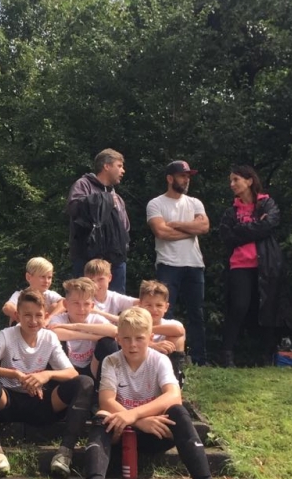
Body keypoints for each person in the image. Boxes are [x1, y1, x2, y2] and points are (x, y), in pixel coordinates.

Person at [80, 307, 242, 479]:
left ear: (150, 338)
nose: (132, 344)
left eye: (139, 338)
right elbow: (106, 401)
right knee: (102, 414)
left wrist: (134, 415)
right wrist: (139, 421)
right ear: (118, 339)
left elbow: (174, 396)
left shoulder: (159, 360)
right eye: (126, 338)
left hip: (156, 433)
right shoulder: (111, 361)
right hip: (122, 433)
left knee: (178, 411)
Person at [0, 289, 95, 479]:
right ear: (17, 315)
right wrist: (15, 374)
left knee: (84, 382)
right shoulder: (7, 334)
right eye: (27, 315)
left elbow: (72, 373)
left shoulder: (49, 337)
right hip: (9, 400)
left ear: (45, 316)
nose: (33, 320)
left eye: (38, 315)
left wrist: (46, 375)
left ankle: (65, 454)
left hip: (41, 400)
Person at [217, 166, 292, 367]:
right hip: (239, 265)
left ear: (250, 181)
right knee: (238, 307)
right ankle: (227, 355)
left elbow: (270, 225)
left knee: (268, 307)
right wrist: (256, 228)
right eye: (231, 180)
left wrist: (242, 229)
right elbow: (227, 236)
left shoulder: (267, 203)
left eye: (236, 179)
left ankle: (267, 356)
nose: (232, 184)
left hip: (267, 263)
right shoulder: (231, 211)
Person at [146, 161, 209, 365]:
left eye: (188, 176)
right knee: (165, 311)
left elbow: (204, 227)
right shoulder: (156, 204)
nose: (186, 180)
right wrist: (190, 230)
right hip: (168, 264)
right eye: (182, 176)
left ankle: (199, 359)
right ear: (170, 178)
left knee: (196, 313)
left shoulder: (195, 202)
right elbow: (161, 232)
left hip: (194, 264)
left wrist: (175, 225)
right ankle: (165, 357)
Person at [67, 148, 131, 293]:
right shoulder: (83, 185)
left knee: (115, 300)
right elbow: (74, 209)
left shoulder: (117, 197)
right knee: (84, 298)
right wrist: (106, 200)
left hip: (115, 259)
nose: (123, 171)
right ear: (106, 166)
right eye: (119, 166)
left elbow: (125, 227)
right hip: (88, 259)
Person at [46, 277, 119, 380]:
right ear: (66, 304)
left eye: (86, 304)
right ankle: (55, 386)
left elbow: (115, 331)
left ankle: (103, 384)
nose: (81, 309)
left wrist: (76, 326)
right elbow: (53, 332)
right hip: (66, 371)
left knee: (109, 343)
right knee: (55, 340)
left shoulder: (95, 318)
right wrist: (93, 337)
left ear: (92, 306)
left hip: (91, 367)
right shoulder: (59, 318)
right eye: (76, 303)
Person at [137, 280, 187, 386]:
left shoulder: (172, 323)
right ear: (140, 305)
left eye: (159, 305)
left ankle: (172, 381)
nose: (154, 309)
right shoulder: (133, 323)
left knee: (176, 338)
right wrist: (152, 345)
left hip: (164, 371)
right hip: (140, 372)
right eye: (148, 305)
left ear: (166, 307)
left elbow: (179, 330)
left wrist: (147, 329)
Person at [1, 257, 64, 323]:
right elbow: (7, 307)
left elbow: (64, 303)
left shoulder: (50, 294)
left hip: (45, 326)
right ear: (28, 277)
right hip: (27, 326)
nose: (46, 281)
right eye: (42, 277)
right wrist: (24, 318)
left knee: (55, 306)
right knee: (15, 312)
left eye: (49, 277)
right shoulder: (20, 295)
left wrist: (49, 318)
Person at [83, 259, 138, 325]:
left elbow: (141, 303)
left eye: (100, 279)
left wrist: (98, 312)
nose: (96, 284)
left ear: (109, 277)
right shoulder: (84, 299)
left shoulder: (114, 297)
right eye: (92, 281)